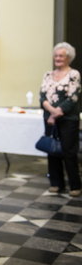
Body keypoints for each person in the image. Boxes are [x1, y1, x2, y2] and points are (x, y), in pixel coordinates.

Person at [39, 42, 81, 197]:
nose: (58, 58)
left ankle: (75, 185)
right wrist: (51, 112)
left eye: (61, 56)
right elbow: (42, 96)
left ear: (68, 58)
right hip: (49, 119)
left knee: (69, 152)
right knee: (52, 150)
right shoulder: (47, 75)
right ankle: (56, 183)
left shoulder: (74, 74)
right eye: (56, 55)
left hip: (68, 119)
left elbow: (73, 98)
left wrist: (56, 113)